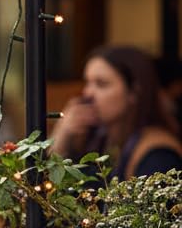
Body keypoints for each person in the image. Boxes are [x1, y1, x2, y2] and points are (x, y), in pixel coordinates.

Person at [51, 45, 182, 179]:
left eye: (101, 84)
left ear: (134, 91)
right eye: (87, 83)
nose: (87, 93)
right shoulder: (103, 141)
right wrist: (62, 136)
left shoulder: (157, 155)